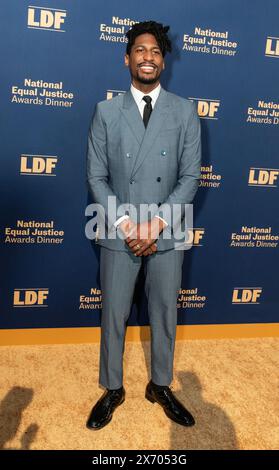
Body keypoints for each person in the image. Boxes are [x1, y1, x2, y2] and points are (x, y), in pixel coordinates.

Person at [86, 20, 201, 430]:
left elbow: (190, 177)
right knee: (113, 314)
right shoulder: (105, 112)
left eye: (155, 51)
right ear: (127, 58)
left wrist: (154, 226)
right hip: (119, 232)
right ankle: (112, 388)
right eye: (140, 50)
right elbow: (97, 177)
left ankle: (161, 384)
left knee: (164, 312)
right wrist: (126, 224)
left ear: (163, 62)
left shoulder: (185, 111)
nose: (147, 57)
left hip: (166, 233)